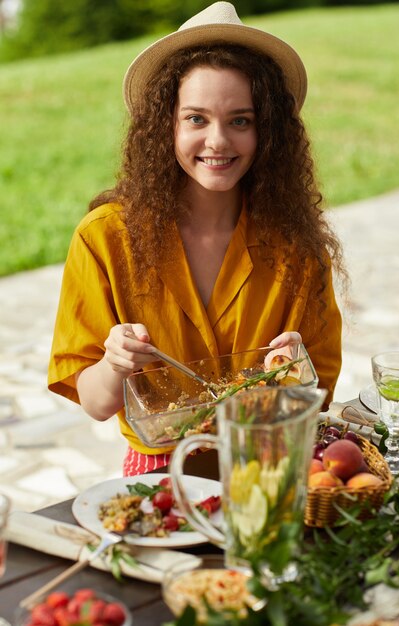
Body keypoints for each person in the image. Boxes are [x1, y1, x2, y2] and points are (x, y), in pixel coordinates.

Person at [48, 1, 345, 477]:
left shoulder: (299, 248)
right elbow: (95, 403)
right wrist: (115, 362)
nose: (219, 141)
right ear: (165, 124)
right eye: (196, 119)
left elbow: (317, 398)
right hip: (158, 479)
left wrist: (295, 372)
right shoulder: (104, 238)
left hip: (265, 469)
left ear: (266, 131)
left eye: (241, 120)